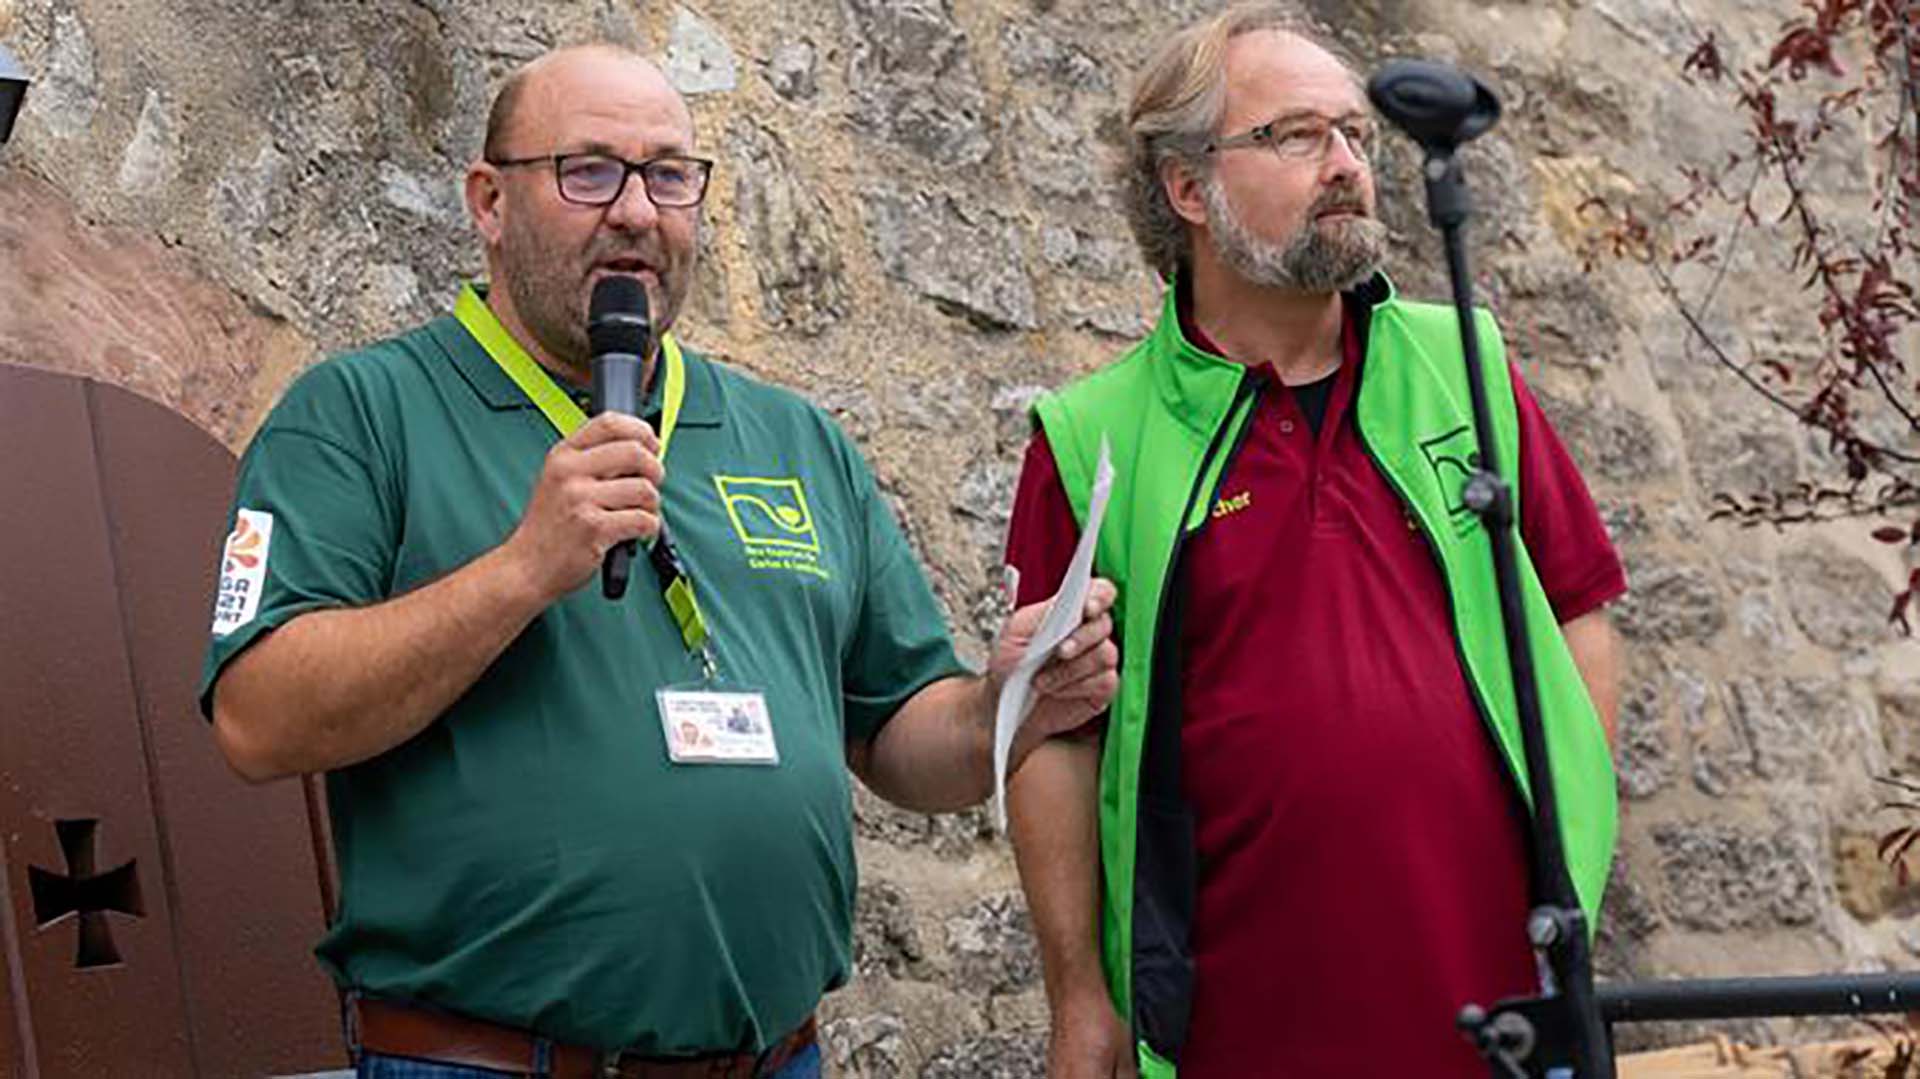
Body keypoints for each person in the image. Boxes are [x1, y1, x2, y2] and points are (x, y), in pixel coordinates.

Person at [198, 44, 1118, 1079]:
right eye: (588, 170)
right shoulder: (362, 414)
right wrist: (523, 568)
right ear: (489, 201)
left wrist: (1010, 703)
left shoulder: (793, 437)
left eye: (669, 174)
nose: (636, 210)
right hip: (491, 1060)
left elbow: (901, 732)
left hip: (774, 1057)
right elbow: (258, 718)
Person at [1003, 5, 1626, 1077]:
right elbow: (1055, 736)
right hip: (1241, 1029)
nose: (1345, 164)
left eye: (1355, 134)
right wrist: (1080, 1002)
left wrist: (1565, 863)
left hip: (1503, 1009)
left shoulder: (1465, 360)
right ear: (1188, 187)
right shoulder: (1090, 437)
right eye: (1297, 136)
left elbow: (1576, 607)